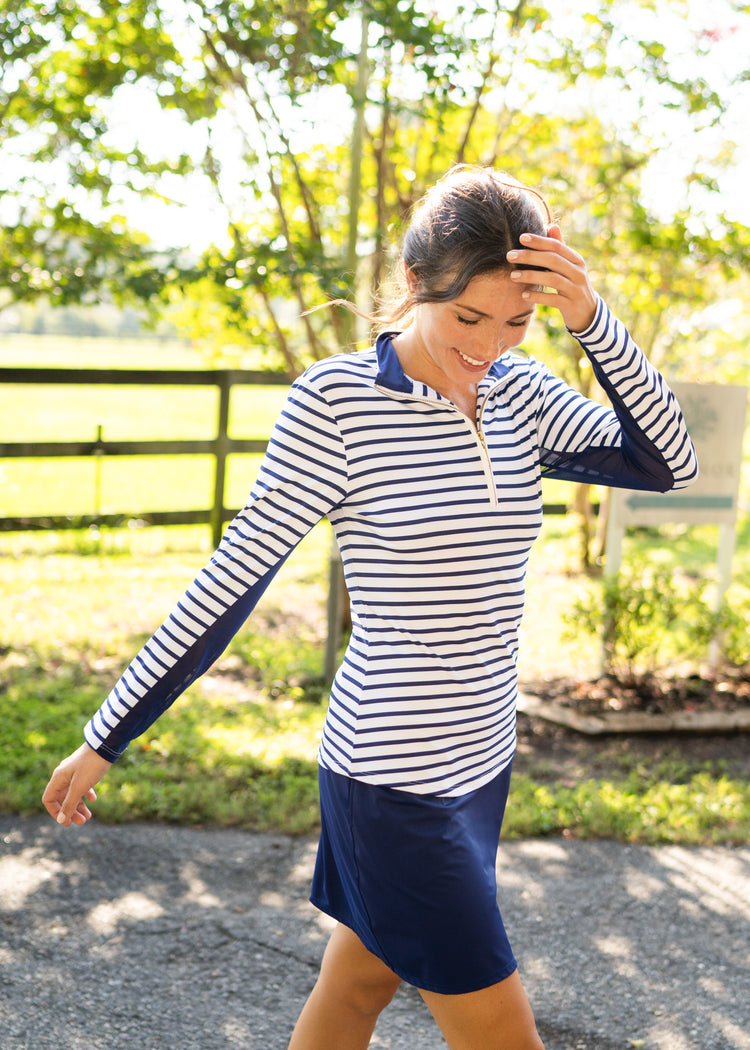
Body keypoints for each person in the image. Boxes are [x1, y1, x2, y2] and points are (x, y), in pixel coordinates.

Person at [43, 165, 698, 1050]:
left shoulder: (521, 395)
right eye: (469, 317)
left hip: (480, 764)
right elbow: (232, 580)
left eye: (519, 320)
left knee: (357, 984)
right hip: (392, 781)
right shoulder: (338, 402)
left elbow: (668, 462)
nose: (490, 343)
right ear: (417, 283)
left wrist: (592, 322)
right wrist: (108, 733)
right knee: (501, 1030)